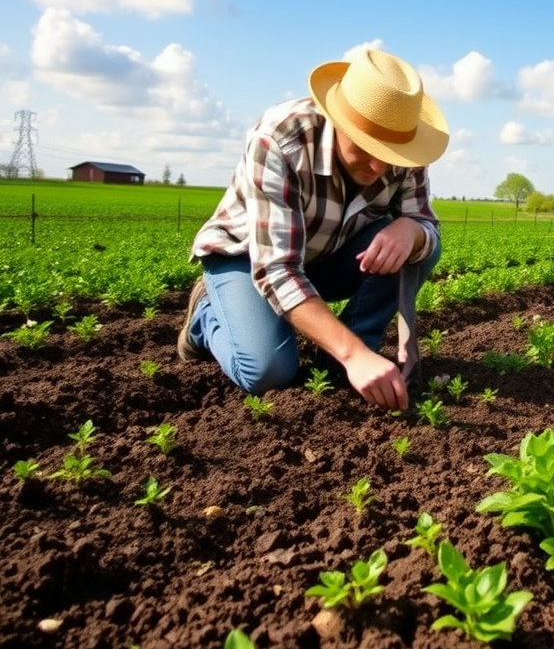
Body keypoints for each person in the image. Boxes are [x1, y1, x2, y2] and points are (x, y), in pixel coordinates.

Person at [177, 46, 448, 411]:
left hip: (325, 255)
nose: (378, 165)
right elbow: (276, 268)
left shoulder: (404, 147)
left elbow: (426, 227)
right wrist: (353, 355)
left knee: (417, 250)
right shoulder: (280, 140)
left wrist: (411, 231)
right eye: (366, 146)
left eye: (390, 154)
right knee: (268, 372)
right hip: (247, 256)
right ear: (338, 121)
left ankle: (343, 359)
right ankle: (207, 315)